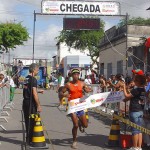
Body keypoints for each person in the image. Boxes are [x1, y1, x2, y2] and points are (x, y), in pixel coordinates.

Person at [62, 68, 92, 149]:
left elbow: (87, 89)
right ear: (72, 75)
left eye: (77, 74)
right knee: (75, 125)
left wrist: (88, 90)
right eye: (74, 74)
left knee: (85, 125)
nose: (76, 76)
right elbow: (61, 92)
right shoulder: (68, 84)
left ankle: (80, 123)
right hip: (72, 106)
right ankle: (74, 141)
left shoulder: (82, 83)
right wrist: (65, 95)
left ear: (79, 75)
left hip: (80, 106)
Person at [122, 75, 146, 150]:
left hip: (134, 110)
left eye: (134, 80)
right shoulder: (143, 90)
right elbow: (132, 96)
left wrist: (123, 87)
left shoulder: (136, 90)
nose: (133, 82)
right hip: (141, 110)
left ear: (138, 82)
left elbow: (126, 95)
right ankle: (139, 147)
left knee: (135, 130)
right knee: (139, 130)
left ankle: (135, 147)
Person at [22, 63, 43, 145]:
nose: (37, 71)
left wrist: (38, 91)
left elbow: (27, 90)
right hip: (31, 103)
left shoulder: (25, 78)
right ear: (34, 70)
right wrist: (38, 105)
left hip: (25, 102)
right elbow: (34, 93)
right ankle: (30, 140)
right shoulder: (33, 79)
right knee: (32, 121)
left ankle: (28, 139)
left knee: (27, 121)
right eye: (37, 70)